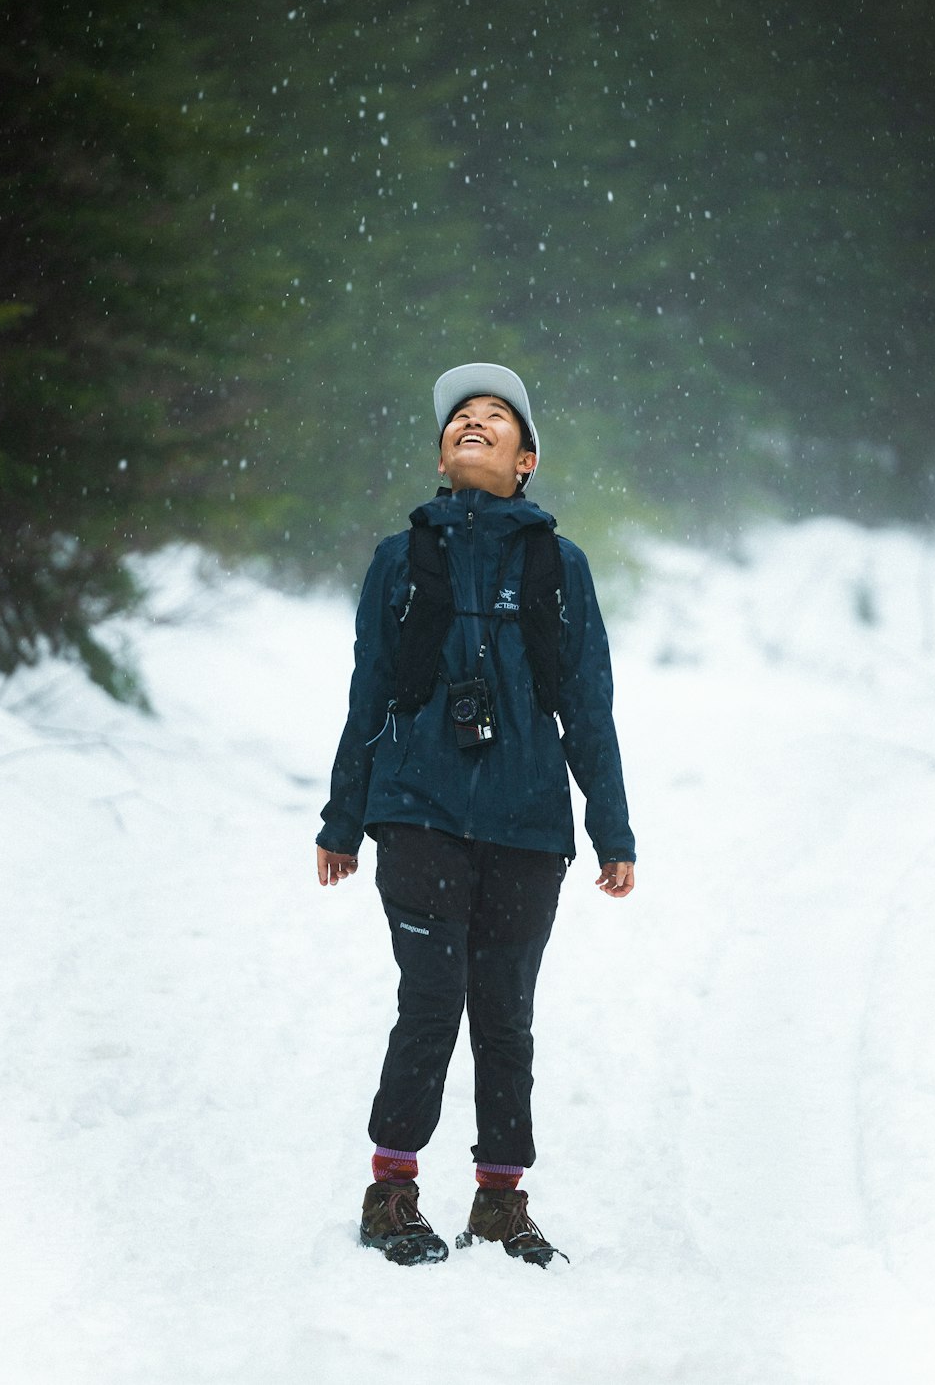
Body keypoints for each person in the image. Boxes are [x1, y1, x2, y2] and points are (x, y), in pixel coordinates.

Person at [316, 361, 635, 1268]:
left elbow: (588, 704)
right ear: (441, 454)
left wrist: (611, 829)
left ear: (526, 461)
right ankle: (392, 1192)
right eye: (461, 416)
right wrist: (343, 818)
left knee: (504, 1013)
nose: (475, 422)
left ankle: (500, 1201)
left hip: (529, 824)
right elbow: (368, 694)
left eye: (496, 417)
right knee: (431, 999)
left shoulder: (560, 567)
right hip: (417, 811)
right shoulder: (401, 560)